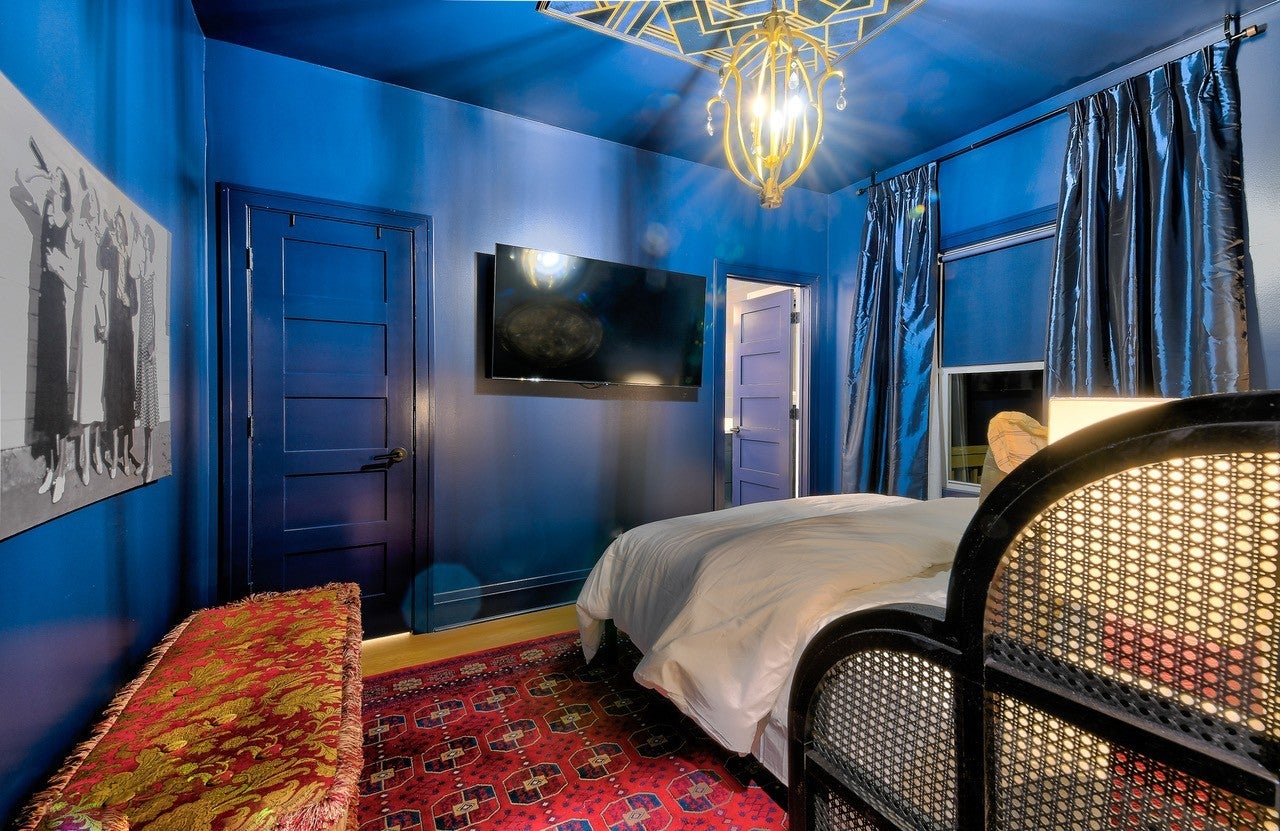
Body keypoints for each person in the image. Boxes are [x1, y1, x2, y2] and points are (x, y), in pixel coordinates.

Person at [12, 144, 76, 503]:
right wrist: (42, 171)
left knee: (56, 387)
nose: (51, 185)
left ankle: (62, 468)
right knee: (46, 389)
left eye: (56, 182)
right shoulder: (43, 212)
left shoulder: (66, 220)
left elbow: (72, 277)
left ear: (62, 189)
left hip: (59, 306)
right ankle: (51, 467)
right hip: (43, 301)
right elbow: (18, 181)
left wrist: (57, 266)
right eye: (51, 181)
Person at [69, 180, 108, 484]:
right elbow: (72, 235)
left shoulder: (102, 233)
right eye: (89, 201)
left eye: (94, 201)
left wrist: (104, 318)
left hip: (100, 306)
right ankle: (82, 455)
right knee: (85, 378)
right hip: (85, 302)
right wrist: (79, 199)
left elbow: (107, 278)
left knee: (98, 382)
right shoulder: (81, 227)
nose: (91, 205)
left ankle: (96, 449)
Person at [100, 208, 137, 479]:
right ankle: (113, 457)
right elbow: (101, 261)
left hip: (127, 330)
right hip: (113, 329)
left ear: (125, 232)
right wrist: (106, 239)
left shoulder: (132, 263)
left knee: (126, 393)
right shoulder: (111, 254)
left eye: (119, 226)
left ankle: (125, 455)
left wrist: (127, 301)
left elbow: (135, 306)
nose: (117, 228)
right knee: (113, 392)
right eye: (114, 224)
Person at [134, 222, 159, 481]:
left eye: (146, 241)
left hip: (149, 341)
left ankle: (151, 462)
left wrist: (154, 344)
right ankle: (145, 459)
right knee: (143, 406)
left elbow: (155, 310)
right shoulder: (140, 268)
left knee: (151, 407)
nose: (144, 245)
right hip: (139, 339)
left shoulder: (152, 272)